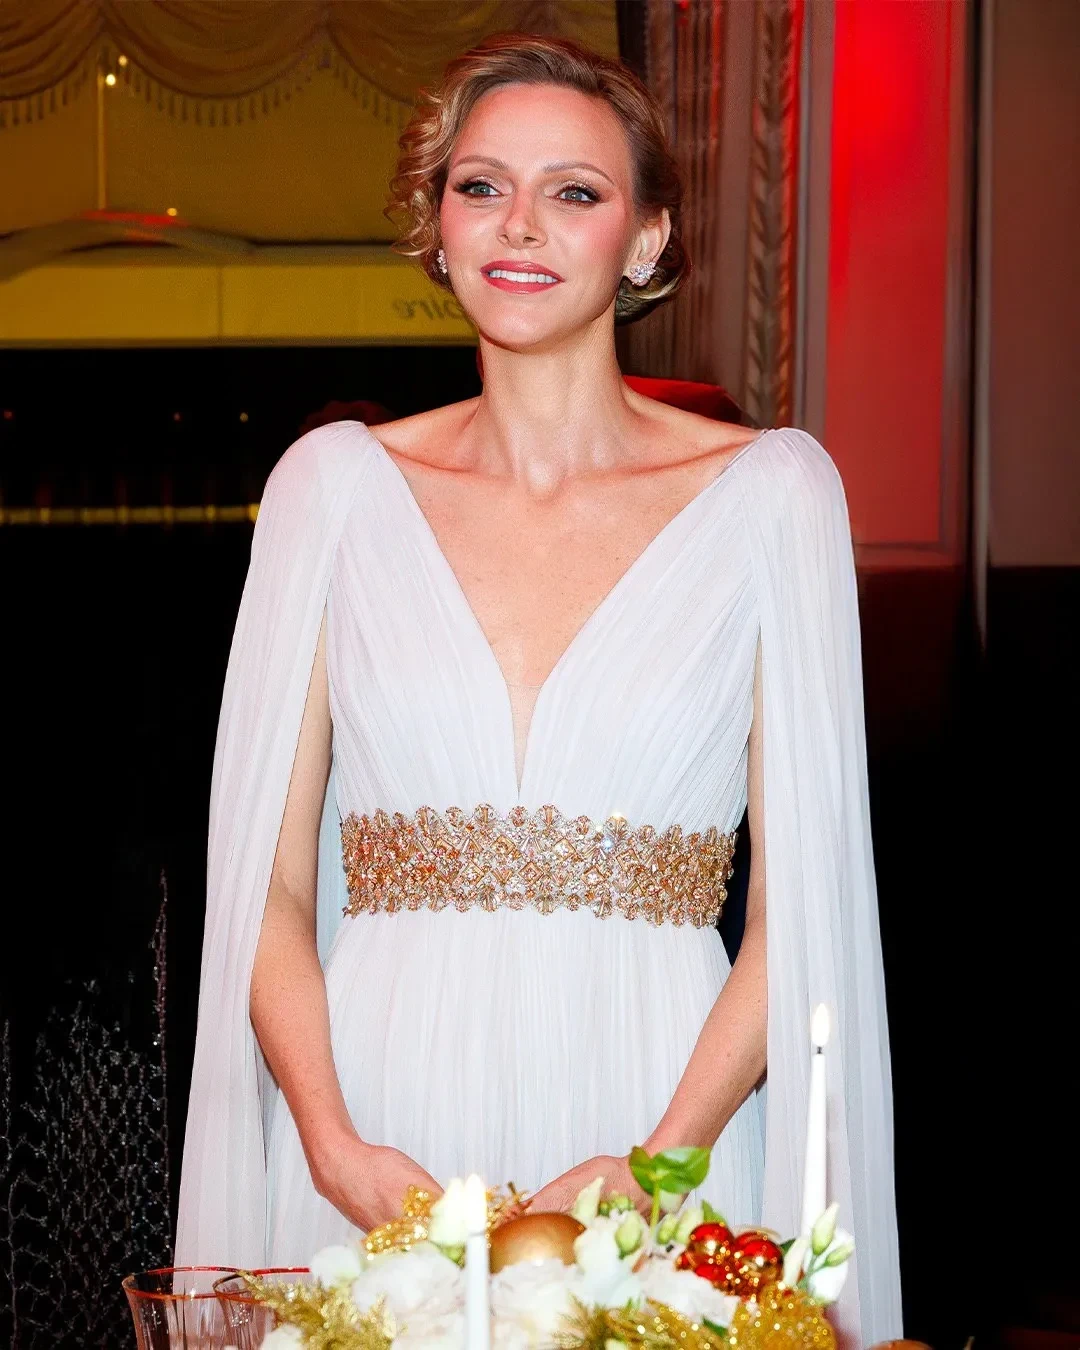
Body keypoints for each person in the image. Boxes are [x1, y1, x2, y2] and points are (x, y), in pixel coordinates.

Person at [176, 34, 902, 1344]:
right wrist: (331, 1146)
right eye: (481, 186)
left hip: (658, 1125)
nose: (520, 224)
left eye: (574, 190)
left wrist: (663, 1163)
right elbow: (265, 889)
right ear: (437, 223)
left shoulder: (773, 501)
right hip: (379, 1128)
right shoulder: (330, 493)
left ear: (646, 239)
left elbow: (802, 916)